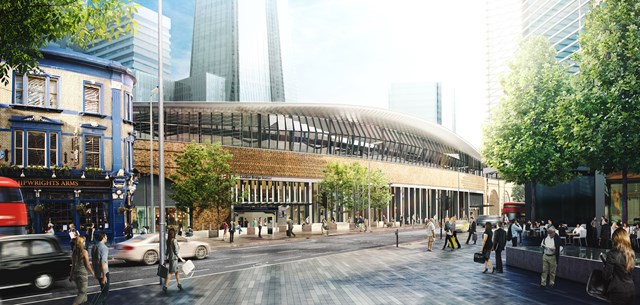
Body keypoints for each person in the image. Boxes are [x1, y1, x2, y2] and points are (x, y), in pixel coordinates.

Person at [602, 228, 637, 305]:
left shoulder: (612, 254)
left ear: (616, 240)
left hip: (617, 291)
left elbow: (606, 276)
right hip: (631, 289)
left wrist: (605, 267)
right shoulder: (631, 253)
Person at [69, 236, 94, 305]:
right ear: (80, 243)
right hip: (82, 275)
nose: (85, 243)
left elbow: (73, 265)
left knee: (84, 296)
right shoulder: (84, 252)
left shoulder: (74, 252)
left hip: (75, 275)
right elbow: (88, 265)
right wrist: (93, 273)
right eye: (83, 241)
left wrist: (71, 276)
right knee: (82, 293)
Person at [163, 228, 185, 293]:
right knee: (170, 273)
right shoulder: (174, 240)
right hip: (174, 259)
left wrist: (165, 259)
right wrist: (181, 259)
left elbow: (167, 251)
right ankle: (165, 286)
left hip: (171, 259)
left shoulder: (168, 240)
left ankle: (179, 284)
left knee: (176, 272)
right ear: (174, 234)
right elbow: (176, 251)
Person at [91, 231, 110, 304]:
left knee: (103, 290)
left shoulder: (94, 246)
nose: (107, 237)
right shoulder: (104, 248)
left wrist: (95, 272)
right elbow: (103, 262)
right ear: (104, 237)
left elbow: (93, 260)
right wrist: (104, 276)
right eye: (106, 236)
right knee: (105, 292)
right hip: (103, 272)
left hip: (97, 272)